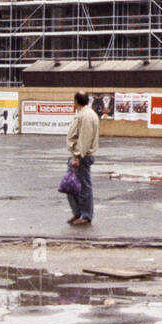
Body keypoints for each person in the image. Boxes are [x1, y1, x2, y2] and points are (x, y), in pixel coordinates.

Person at [65, 91, 100, 225]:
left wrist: (77, 157)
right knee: (71, 187)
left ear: (75, 101)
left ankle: (85, 216)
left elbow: (84, 139)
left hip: (81, 157)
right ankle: (78, 212)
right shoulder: (84, 114)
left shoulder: (86, 116)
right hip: (77, 155)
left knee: (83, 187)